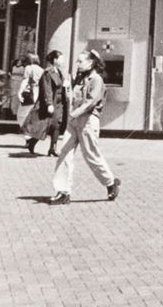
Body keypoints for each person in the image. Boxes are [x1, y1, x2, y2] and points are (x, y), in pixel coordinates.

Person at [50, 50, 120, 206]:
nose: (78, 64)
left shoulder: (96, 80)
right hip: (73, 120)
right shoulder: (78, 79)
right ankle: (63, 192)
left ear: (91, 63)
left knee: (91, 155)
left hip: (88, 120)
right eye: (77, 61)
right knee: (64, 154)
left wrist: (74, 113)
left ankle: (110, 182)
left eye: (81, 61)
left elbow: (90, 101)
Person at [23, 50, 68, 156]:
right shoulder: (48, 72)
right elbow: (46, 88)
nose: (63, 61)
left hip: (59, 103)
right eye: (61, 59)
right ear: (55, 60)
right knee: (44, 126)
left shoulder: (59, 72)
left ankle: (53, 148)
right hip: (52, 102)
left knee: (57, 125)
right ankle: (32, 143)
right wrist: (49, 104)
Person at [17, 53, 43, 142]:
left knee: (22, 115)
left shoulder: (29, 68)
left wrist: (20, 92)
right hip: (38, 93)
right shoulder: (41, 69)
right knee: (32, 116)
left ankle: (27, 137)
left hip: (30, 94)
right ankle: (30, 135)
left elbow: (25, 80)